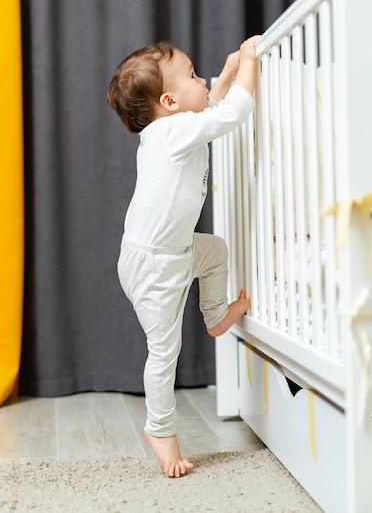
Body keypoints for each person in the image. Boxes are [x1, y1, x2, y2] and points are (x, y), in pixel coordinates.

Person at [106, 36, 259, 478]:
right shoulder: (171, 132)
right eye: (193, 75)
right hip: (153, 267)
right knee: (164, 351)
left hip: (171, 255)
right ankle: (161, 432)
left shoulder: (174, 127)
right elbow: (232, 112)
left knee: (214, 251)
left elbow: (214, 106)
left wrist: (227, 76)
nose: (202, 80)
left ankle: (214, 318)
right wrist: (249, 60)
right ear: (169, 101)